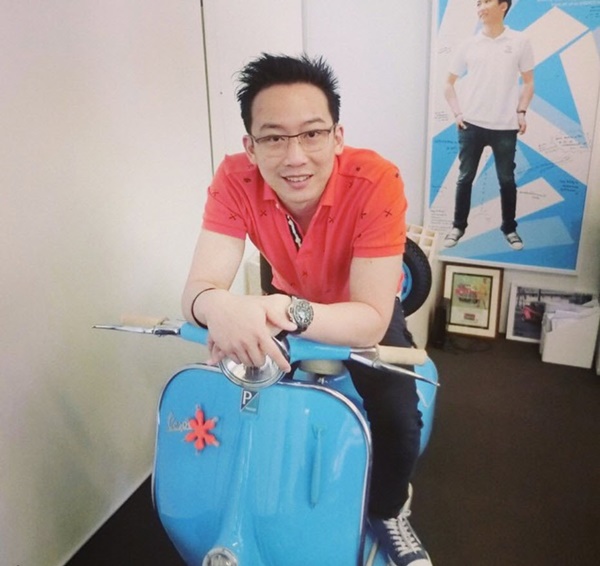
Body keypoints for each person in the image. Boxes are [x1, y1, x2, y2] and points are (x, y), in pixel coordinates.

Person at [182, 53, 432, 566]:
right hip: (285, 291)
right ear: (250, 147)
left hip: (358, 303)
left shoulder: (376, 180)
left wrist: (285, 311)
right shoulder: (234, 178)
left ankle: (389, 510)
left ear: (337, 137)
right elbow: (197, 291)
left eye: (312, 134)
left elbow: (369, 318)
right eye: (274, 138)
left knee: (398, 416)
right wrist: (219, 305)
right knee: (262, 398)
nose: (295, 157)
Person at [443, 0, 534, 250]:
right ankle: (458, 226)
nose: (481, 7)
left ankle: (510, 229)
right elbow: (448, 83)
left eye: (486, 2)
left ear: (503, 6)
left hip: (505, 126)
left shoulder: (520, 41)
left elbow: (529, 81)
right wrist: (457, 113)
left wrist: (521, 112)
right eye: (478, 3)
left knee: (507, 180)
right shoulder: (469, 44)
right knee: (465, 178)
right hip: (471, 124)